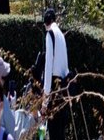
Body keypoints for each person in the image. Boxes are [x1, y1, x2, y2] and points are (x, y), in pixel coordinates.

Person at [43, 8, 71, 140]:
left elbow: (48, 67)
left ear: (45, 23)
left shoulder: (50, 34)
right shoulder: (60, 35)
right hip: (63, 86)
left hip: (54, 87)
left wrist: (45, 100)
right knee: (61, 132)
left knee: (54, 131)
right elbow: (65, 67)